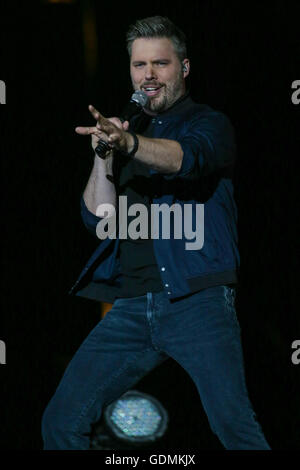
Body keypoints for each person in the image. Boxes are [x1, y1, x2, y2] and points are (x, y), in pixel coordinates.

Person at [41, 16, 271, 450]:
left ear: (183, 68)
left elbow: (187, 159)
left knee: (234, 429)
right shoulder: (125, 132)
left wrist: (129, 146)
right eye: (138, 65)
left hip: (197, 300)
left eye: (160, 64)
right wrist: (103, 156)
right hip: (130, 305)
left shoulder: (209, 123)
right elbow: (100, 219)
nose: (147, 75)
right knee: (60, 422)